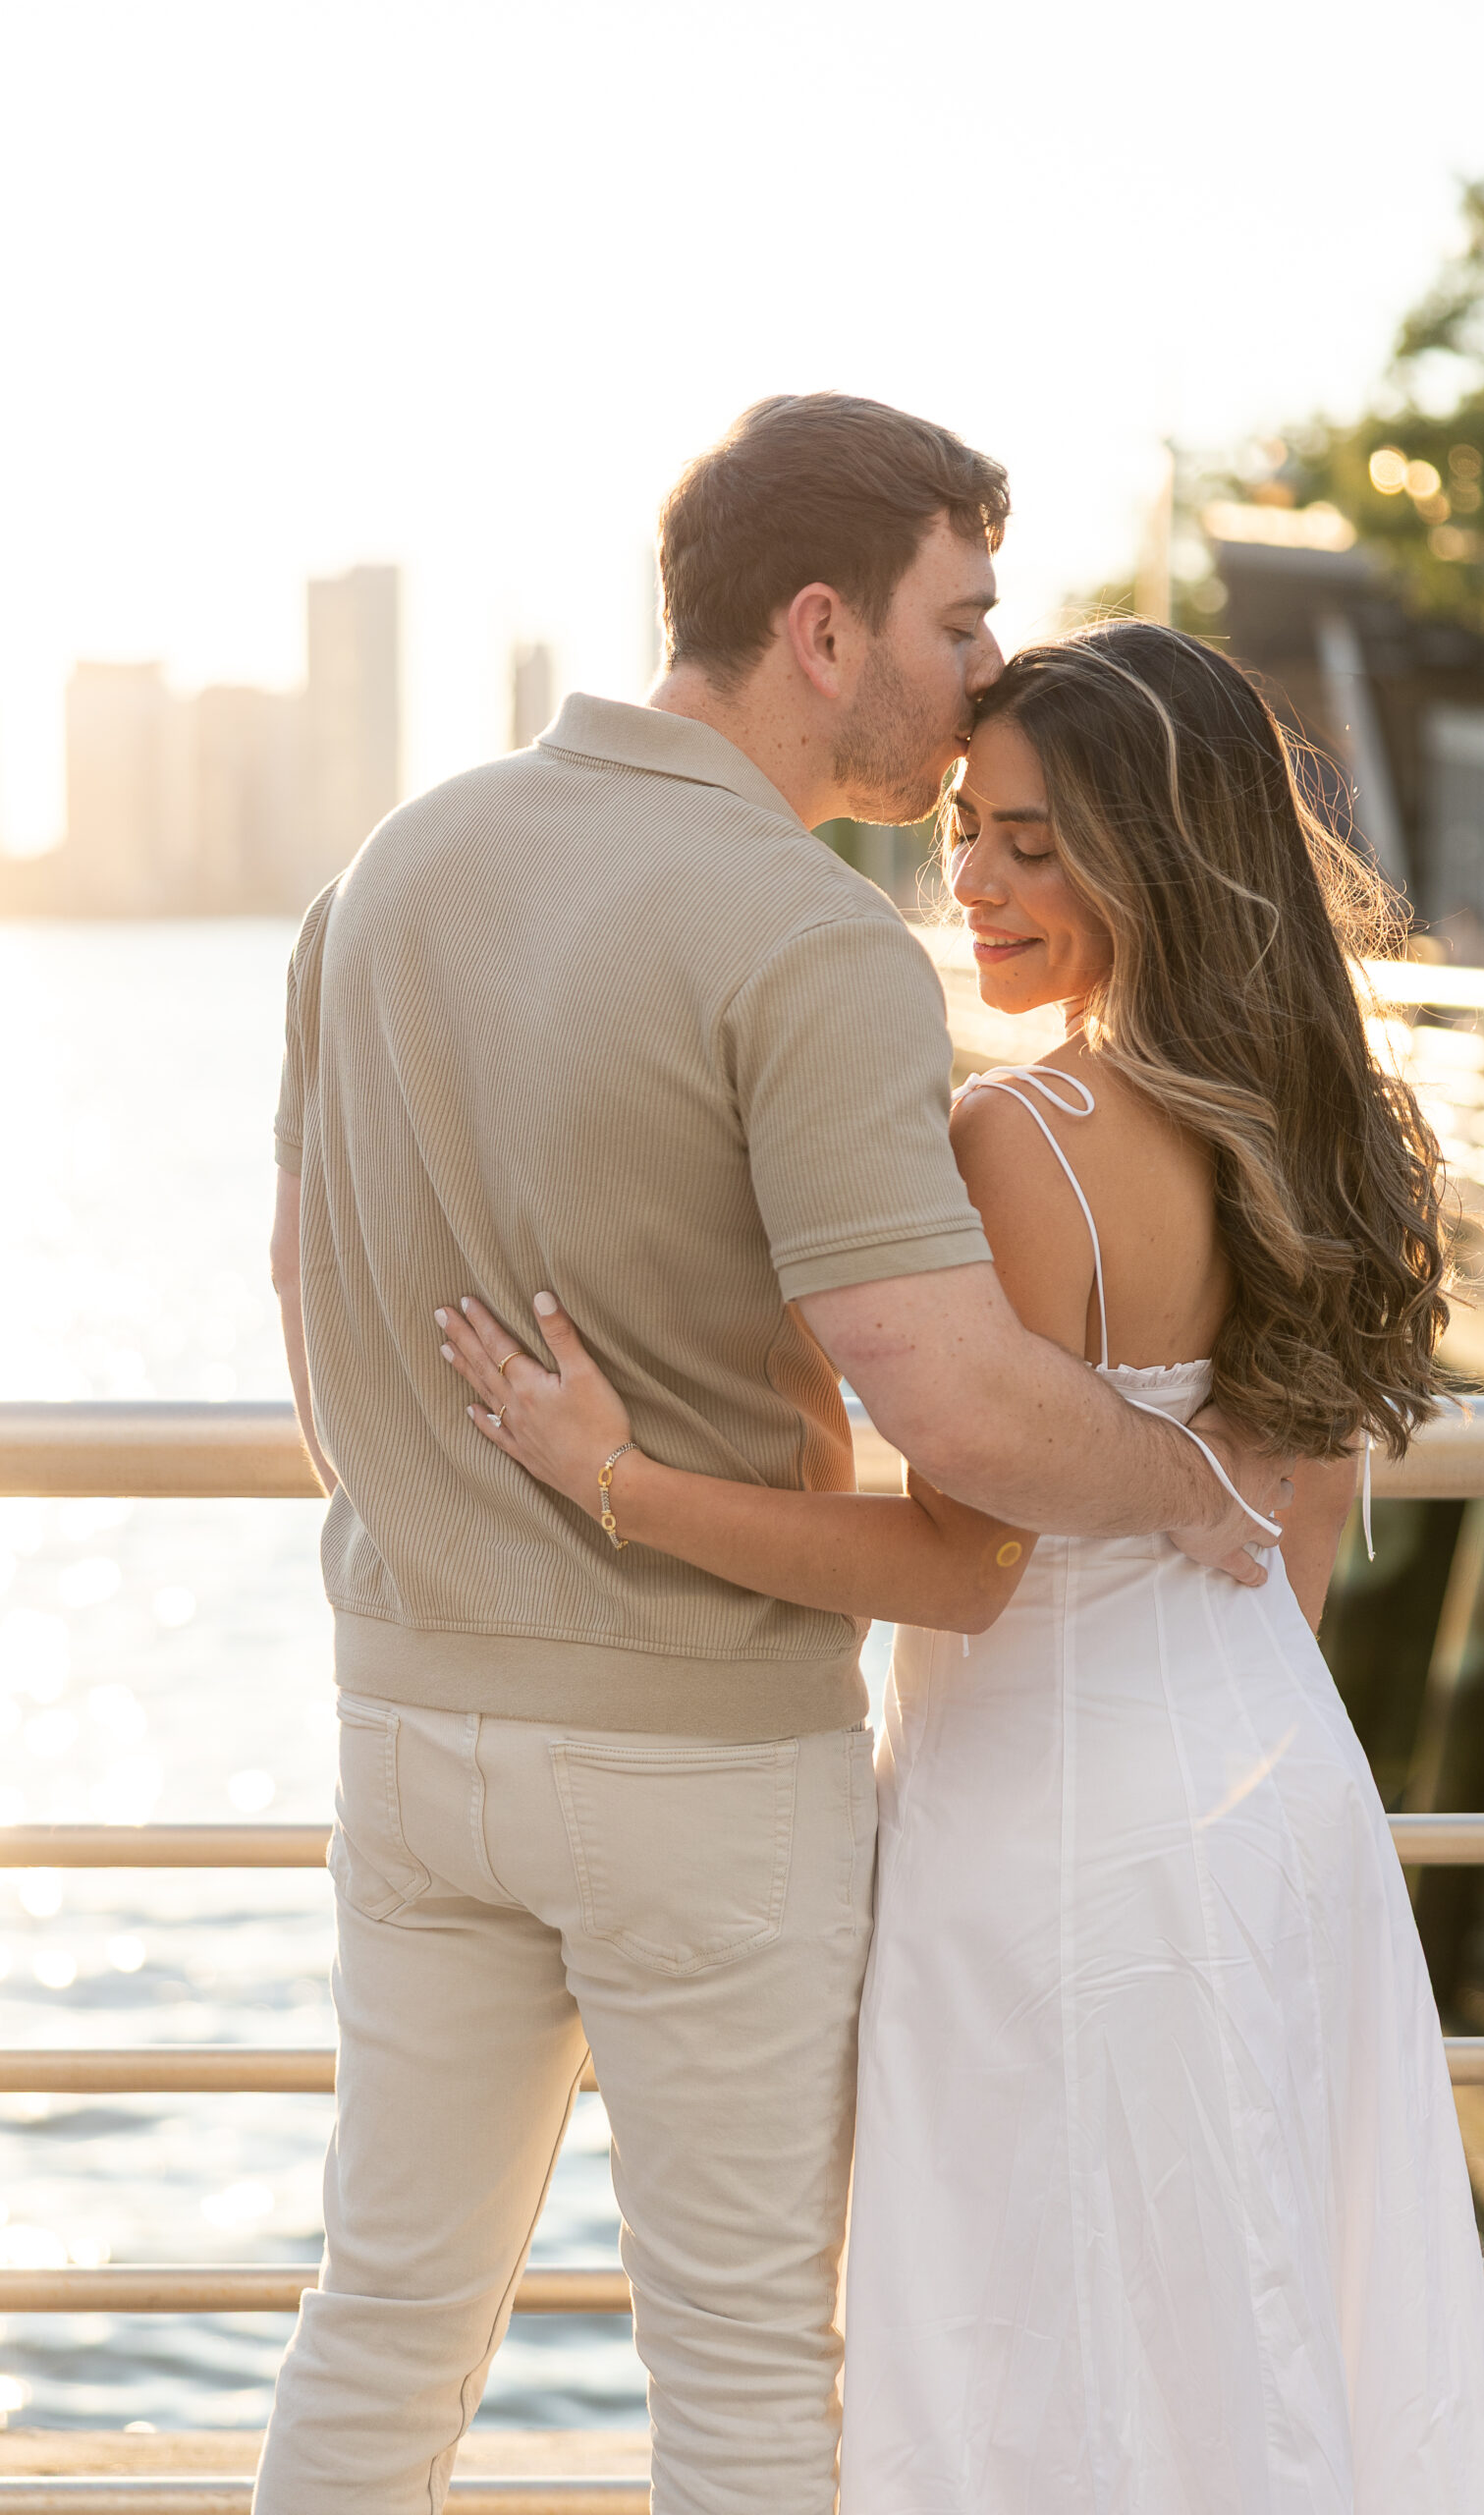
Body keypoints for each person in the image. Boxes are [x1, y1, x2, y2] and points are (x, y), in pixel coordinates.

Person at [259, 399, 1290, 2515]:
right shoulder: (810, 936)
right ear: (821, 630)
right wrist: (1198, 1491)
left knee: (379, 2320)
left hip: (408, 1714)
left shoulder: (391, 865)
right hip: (702, 1760)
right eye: (958, 615)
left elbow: (300, 1278)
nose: (982, 669)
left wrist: (456, 1524)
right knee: (736, 2355)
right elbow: (948, 1393)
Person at [443, 622, 1484, 2513]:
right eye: (967, 830)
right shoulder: (1327, 1126)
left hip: (1053, 1837)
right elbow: (1304, 1548)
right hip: (1279, 1804)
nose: (976, 881)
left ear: (1158, 857)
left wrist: (621, 1481)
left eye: (1035, 841)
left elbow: (959, 1560)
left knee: (1050, 2365)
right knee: (1263, 2338)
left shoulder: (1018, 1139)